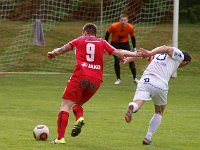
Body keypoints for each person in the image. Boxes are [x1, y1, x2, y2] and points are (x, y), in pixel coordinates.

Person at [47, 23, 141, 144]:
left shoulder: (79, 40)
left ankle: (60, 138)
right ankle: (79, 118)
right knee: (77, 104)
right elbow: (118, 52)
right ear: (95, 33)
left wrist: (52, 53)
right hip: (96, 80)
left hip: (80, 76)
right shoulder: (102, 42)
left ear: (84, 33)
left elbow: (61, 50)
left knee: (65, 105)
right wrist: (135, 54)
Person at [124, 45, 192, 145]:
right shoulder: (180, 55)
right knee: (159, 111)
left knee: (137, 103)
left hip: (145, 80)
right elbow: (166, 48)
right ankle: (148, 137)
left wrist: (129, 58)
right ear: (185, 62)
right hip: (160, 84)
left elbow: (143, 55)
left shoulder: (159, 55)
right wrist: (150, 52)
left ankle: (132, 107)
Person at [105, 14, 138, 85]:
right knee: (117, 60)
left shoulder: (130, 27)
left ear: (127, 20)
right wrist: (106, 45)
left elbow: (132, 38)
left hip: (125, 44)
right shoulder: (114, 26)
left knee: (131, 60)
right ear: (119, 20)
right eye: (122, 20)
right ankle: (118, 79)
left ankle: (135, 78)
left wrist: (134, 48)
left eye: (125, 20)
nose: (123, 22)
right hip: (115, 44)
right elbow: (107, 34)